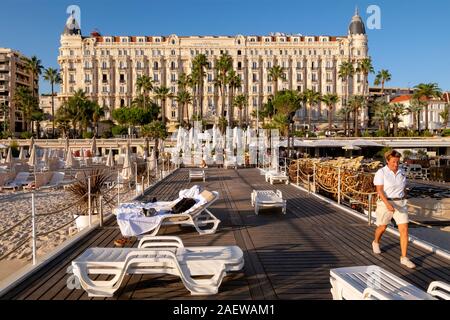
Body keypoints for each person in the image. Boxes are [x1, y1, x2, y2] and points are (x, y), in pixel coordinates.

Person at [372, 150, 415, 269]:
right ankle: (376, 242)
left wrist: (404, 197)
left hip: (400, 202)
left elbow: (404, 187)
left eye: (398, 162)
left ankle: (404, 257)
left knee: (404, 229)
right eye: (393, 162)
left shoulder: (401, 172)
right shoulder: (381, 173)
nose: (396, 164)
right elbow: (379, 190)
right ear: (387, 161)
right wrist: (387, 204)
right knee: (382, 227)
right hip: (386, 202)